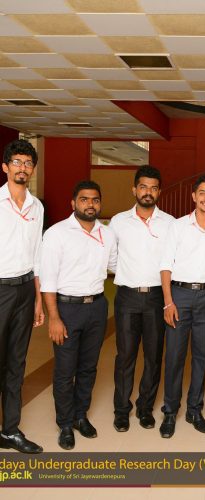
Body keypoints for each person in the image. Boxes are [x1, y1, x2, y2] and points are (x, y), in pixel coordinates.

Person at [40, 180, 117, 450]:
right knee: (65, 369)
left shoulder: (107, 234)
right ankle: (64, 423)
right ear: (73, 203)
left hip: (97, 306)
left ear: (100, 203)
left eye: (95, 200)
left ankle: (80, 415)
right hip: (67, 309)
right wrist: (54, 317)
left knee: (88, 367)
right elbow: (48, 280)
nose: (90, 204)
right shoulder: (57, 233)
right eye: (84, 199)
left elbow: (116, 265)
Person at [159, 175, 205, 438]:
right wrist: (168, 302)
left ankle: (194, 409)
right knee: (175, 356)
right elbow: (165, 266)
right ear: (194, 196)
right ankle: (170, 411)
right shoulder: (178, 226)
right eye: (202, 193)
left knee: (202, 355)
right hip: (179, 295)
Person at [109, 165, 174, 433]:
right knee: (125, 356)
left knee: (153, 356)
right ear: (134, 189)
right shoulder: (118, 221)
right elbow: (111, 257)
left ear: (159, 192)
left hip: (157, 297)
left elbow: (173, 260)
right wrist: (128, 274)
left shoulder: (170, 223)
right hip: (127, 296)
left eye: (153, 188)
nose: (148, 192)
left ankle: (145, 408)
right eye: (143, 187)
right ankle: (121, 410)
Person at [0, 139, 44, 454]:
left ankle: (10, 430)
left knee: (17, 361)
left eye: (28, 163)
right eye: (17, 162)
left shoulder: (37, 206)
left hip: (26, 289)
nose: (22, 168)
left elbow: (38, 255)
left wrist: (39, 299)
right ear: (5, 167)